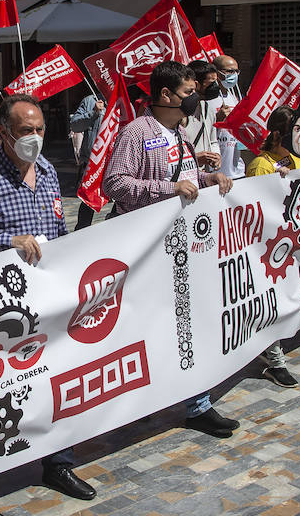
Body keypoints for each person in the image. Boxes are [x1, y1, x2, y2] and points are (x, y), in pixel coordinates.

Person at [0, 95, 96, 500]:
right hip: (1, 307)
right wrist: (7, 243)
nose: (34, 137)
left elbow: (58, 232)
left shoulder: (47, 172)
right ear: (4, 132)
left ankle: (58, 463)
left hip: (47, 299)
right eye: (25, 130)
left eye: (40, 129)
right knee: (7, 389)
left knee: (53, 381)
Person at [102, 61, 240, 439]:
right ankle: (139, 402)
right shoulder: (136, 132)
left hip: (180, 248)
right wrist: (168, 190)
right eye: (186, 93)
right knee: (146, 329)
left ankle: (198, 404)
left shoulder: (180, 135)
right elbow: (113, 184)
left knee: (188, 325)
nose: (193, 99)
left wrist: (207, 178)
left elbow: (184, 178)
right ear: (165, 95)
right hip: (143, 250)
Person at [244, 106, 300, 388]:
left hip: (296, 245)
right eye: (298, 130)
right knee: (272, 303)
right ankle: (273, 360)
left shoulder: (298, 161)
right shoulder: (262, 164)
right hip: (270, 250)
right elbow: (255, 208)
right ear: (282, 134)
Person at [69, 90, 105, 230]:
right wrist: (94, 112)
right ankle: (81, 235)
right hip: (92, 162)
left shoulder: (122, 101)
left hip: (114, 161)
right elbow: (75, 125)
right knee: (87, 202)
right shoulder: (90, 101)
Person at [210, 53, 250, 182]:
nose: (234, 75)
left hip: (237, 171)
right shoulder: (206, 100)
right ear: (216, 73)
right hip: (215, 173)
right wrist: (217, 120)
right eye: (230, 71)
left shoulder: (234, 98)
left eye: (236, 71)